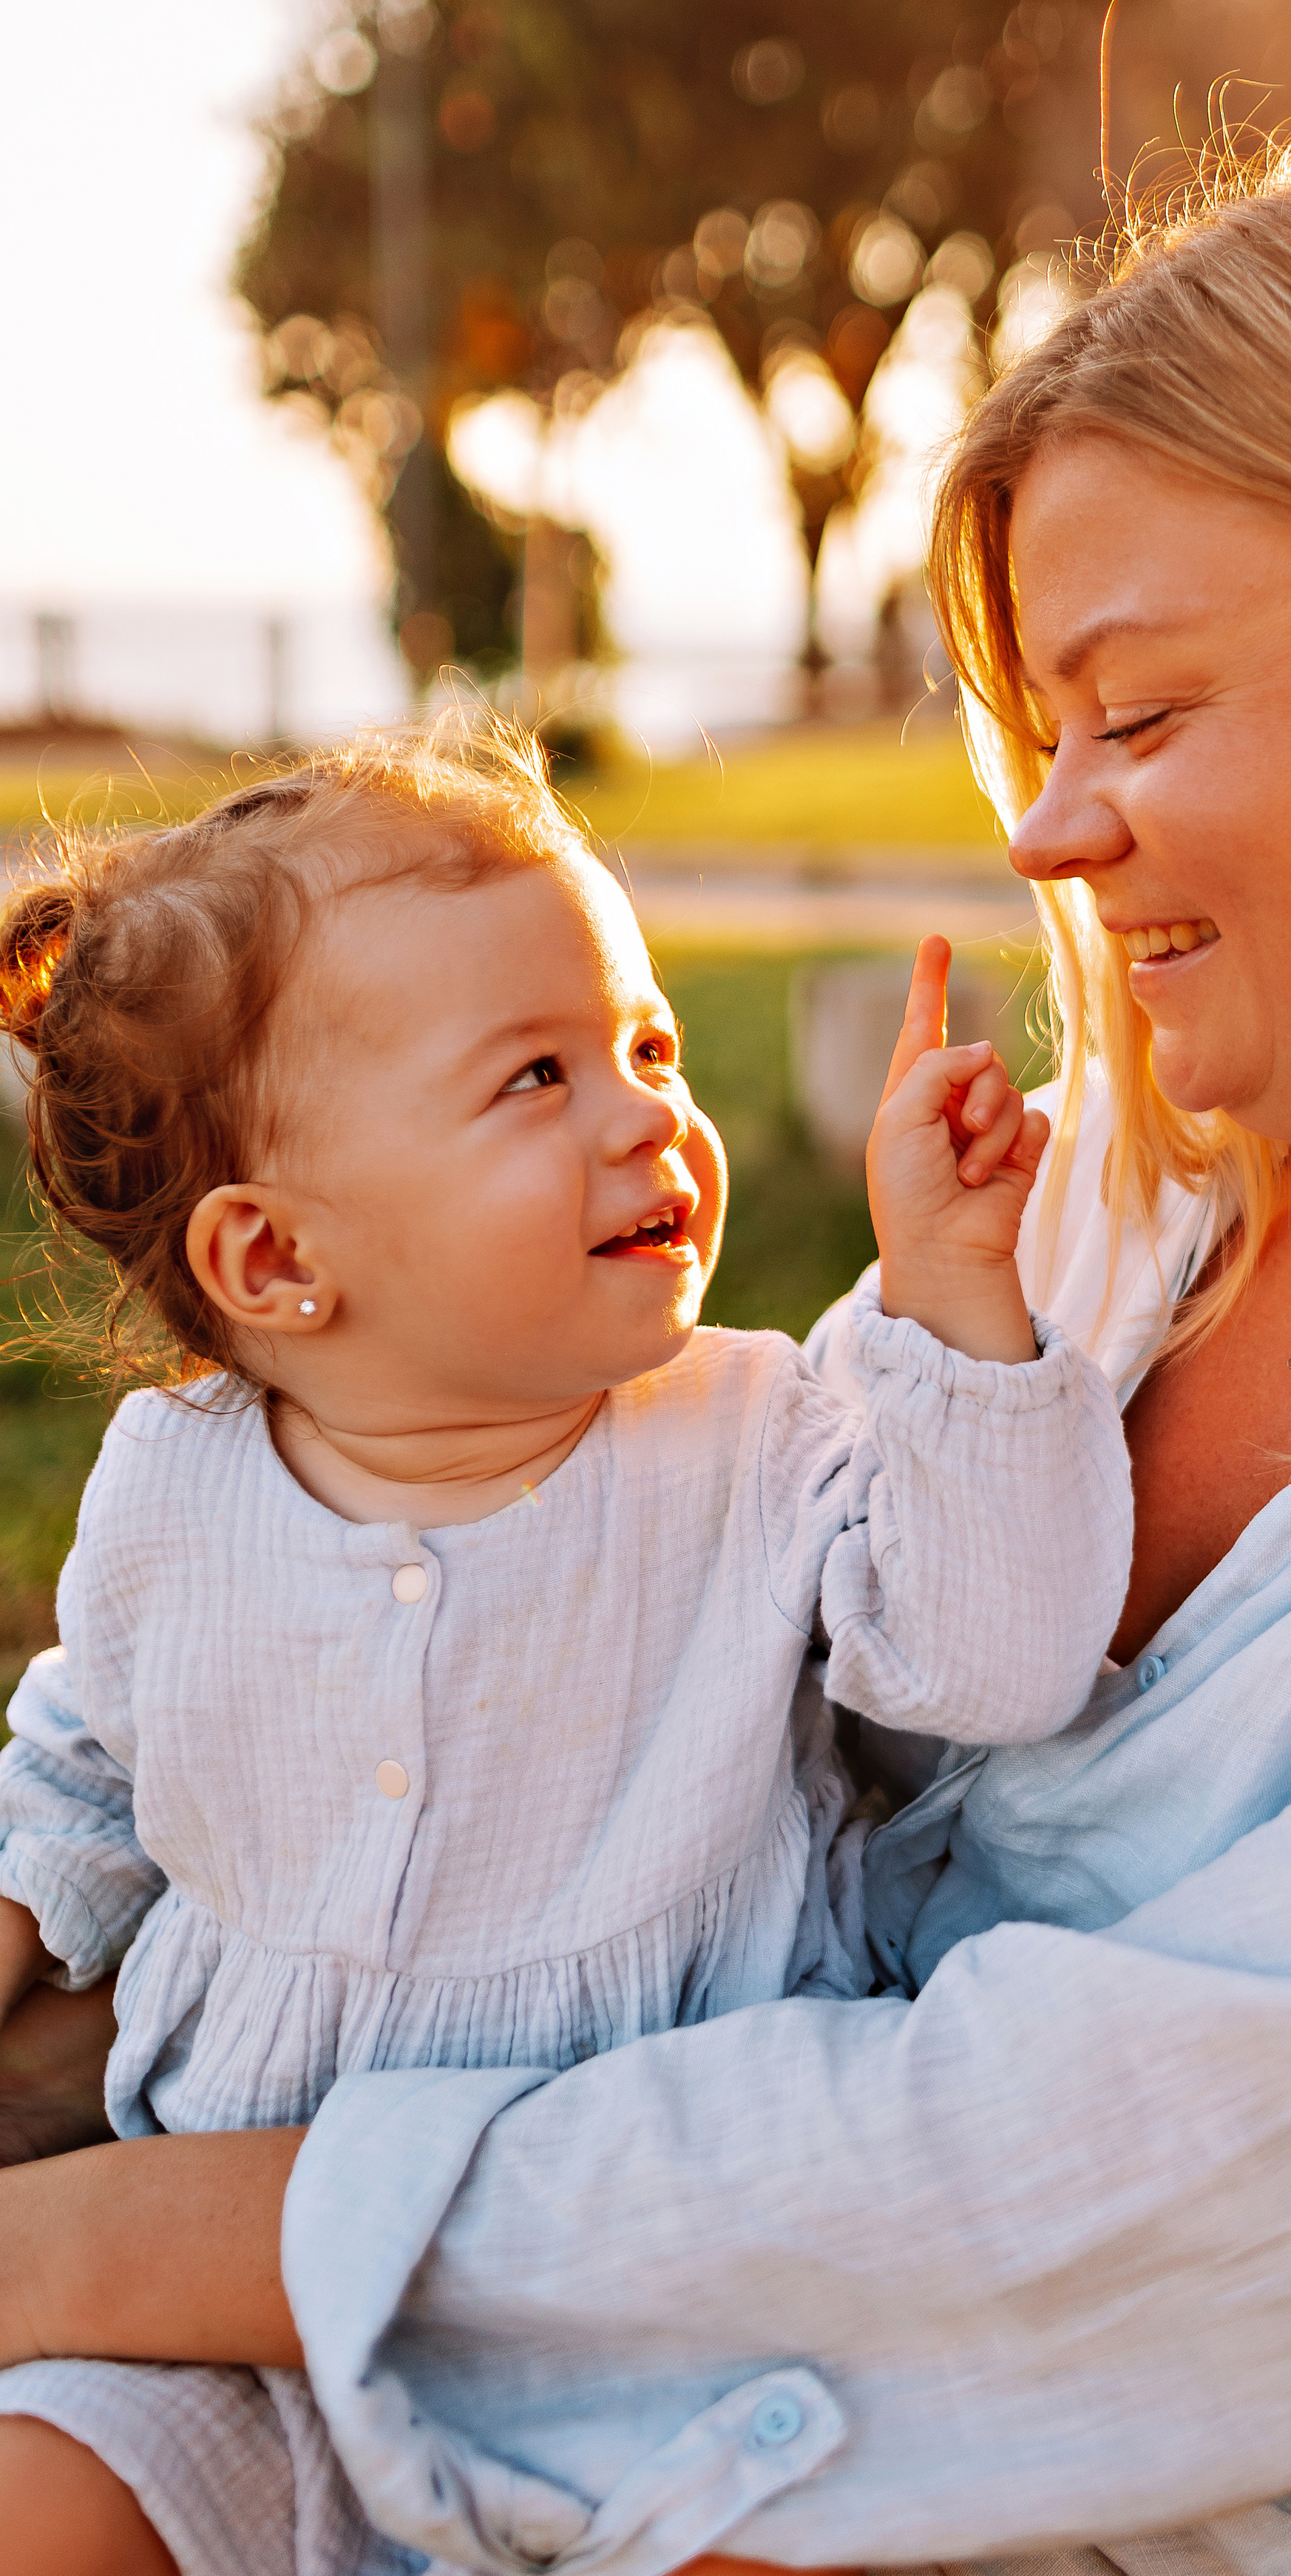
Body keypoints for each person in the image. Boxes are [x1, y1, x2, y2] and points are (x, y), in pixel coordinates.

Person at [2, 119, 1291, 2576]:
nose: (1049, 836)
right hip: (562, 2445)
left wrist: (102, 2245)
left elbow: (1061, 2205)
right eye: (1046, 730)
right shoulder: (1104, 1209)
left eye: (1146, 713)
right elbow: (572, 1691)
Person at [0, 728, 1133, 2572]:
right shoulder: (173, 1489)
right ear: (273, 1261)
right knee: (38, 2502)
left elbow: (995, 1664)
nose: (641, 1114)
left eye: (648, 1045)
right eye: (536, 1074)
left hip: (647, 2318)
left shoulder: (763, 1441)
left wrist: (952, 1310)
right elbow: (89, 1751)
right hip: (226, 2308)